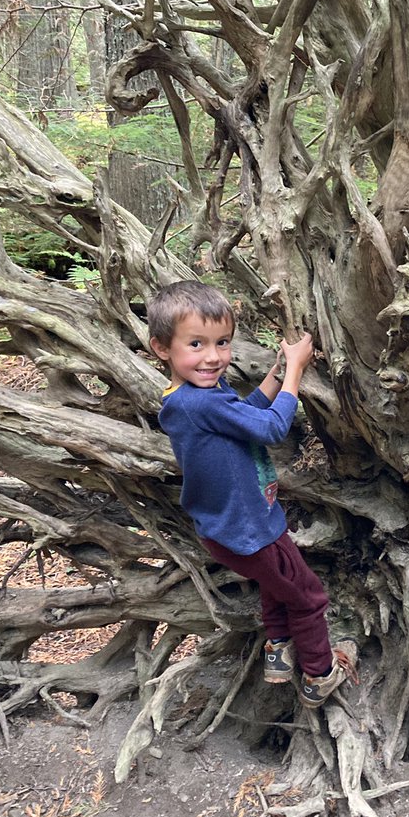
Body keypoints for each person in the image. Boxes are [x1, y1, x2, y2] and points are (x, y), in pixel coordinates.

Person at [147, 280, 356, 708]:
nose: (213, 357)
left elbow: (246, 414)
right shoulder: (201, 403)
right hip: (252, 530)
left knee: (274, 582)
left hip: (226, 529)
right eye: (196, 344)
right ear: (161, 348)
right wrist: (296, 371)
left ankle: (279, 649)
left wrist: (278, 372)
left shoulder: (191, 397)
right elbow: (273, 427)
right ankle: (319, 675)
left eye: (222, 342)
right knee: (308, 596)